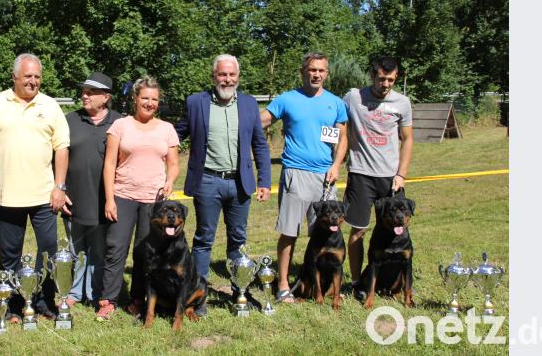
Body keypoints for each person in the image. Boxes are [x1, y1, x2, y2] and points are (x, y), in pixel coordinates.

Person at [174, 54, 271, 316]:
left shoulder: (250, 104)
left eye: (232, 75)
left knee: (238, 239)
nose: (227, 79)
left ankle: (241, 291)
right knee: (204, 238)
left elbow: (259, 144)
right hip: (207, 180)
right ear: (213, 76)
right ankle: (197, 296)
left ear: (238, 77)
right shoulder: (196, 102)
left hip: (240, 182)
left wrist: (264, 180)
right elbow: (176, 134)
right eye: (222, 74)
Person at [0, 53, 71, 320]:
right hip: (6, 196)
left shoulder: (50, 105)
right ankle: (13, 304)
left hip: (44, 196)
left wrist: (60, 186)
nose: (33, 82)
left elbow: (62, 148)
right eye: (28, 76)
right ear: (14, 77)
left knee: (48, 253)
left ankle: (44, 301)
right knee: (9, 256)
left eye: (37, 77)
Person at [260, 52, 348, 303]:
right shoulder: (287, 99)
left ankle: (319, 284)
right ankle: (284, 284)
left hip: (325, 177)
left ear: (326, 73)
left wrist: (336, 165)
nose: (316, 74)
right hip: (295, 174)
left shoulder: (335, 103)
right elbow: (260, 121)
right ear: (303, 72)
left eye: (321, 70)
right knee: (290, 232)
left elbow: (343, 138)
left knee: (325, 232)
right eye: (312, 70)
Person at [96, 76, 180, 321]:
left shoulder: (166, 129)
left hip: (154, 200)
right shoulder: (120, 126)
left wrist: (170, 181)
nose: (150, 103)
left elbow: (173, 164)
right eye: (145, 98)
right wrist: (109, 199)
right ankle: (108, 300)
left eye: (154, 99)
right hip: (123, 195)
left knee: (146, 252)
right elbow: (109, 164)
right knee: (115, 249)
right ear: (135, 98)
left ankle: (137, 299)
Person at [343, 56, 413, 291]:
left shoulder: (402, 102)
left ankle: (395, 281)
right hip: (360, 174)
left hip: (390, 177)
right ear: (372, 75)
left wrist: (401, 174)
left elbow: (408, 139)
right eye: (382, 79)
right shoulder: (353, 97)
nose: (385, 84)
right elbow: (336, 122)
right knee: (358, 230)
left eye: (391, 80)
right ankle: (356, 282)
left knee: (397, 228)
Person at [63, 72, 122, 307]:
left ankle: (96, 292)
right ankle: (75, 293)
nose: (84, 95)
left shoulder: (119, 122)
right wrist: (60, 188)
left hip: (104, 200)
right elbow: (57, 155)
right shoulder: (69, 120)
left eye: (91, 92)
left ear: (105, 97)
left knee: (99, 250)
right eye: (84, 91)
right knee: (76, 249)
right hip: (73, 197)